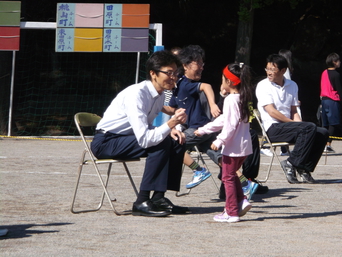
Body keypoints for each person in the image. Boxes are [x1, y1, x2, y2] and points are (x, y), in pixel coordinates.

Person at [91, 50, 189, 217]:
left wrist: (171, 129)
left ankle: (159, 198)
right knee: (162, 142)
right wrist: (171, 123)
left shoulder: (159, 95)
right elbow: (144, 140)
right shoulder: (137, 94)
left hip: (126, 138)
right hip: (106, 142)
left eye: (176, 73)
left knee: (175, 141)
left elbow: (146, 127)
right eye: (169, 73)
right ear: (153, 74)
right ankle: (141, 201)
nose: (173, 77)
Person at [163, 45, 258, 199]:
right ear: (185, 66)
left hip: (198, 128)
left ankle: (198, 170)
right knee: (219, 158)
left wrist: (213, 104)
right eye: (198, 63)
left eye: (202, 63)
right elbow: (172, 109)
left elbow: (206, 86)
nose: (201, 67)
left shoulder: (188, 84)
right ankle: (246, 183)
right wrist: (156, 106)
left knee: (173, 145)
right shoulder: (178, 87)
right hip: (204, 131)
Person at [256, 54, 329, 184]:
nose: (269, 72)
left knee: (322, 133)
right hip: (273, 128)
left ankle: (304, 168)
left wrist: (299, 125)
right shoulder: (263, 86)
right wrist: (297, 125)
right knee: (308, 127)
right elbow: (271, 111)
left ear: (283, 71)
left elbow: (294, 110)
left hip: (289, 127)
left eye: (273, 69)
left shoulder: (292, 85)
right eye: (267, 69)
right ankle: (291, 163)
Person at [194, 63, 253, 222]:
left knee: (227, 177)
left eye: (223, 79)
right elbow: (224, 120)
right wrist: (204, 129)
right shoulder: (242, 97)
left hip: (233, 148)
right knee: (231, 176)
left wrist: (219, 140)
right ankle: (241, 202)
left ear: (230, 82)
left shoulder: (231, 100)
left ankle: (231, 212)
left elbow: (230, 124)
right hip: (244, 147)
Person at [320, 52, 342, 153]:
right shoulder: (336, 74)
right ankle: (328, 144)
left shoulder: (324, 72)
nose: (339, 62)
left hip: (324, 100)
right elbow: (339, 89)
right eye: (338, 61)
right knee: (333, 123)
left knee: (325, 123)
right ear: (334, 62)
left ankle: (323, 143)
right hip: (333, 100)